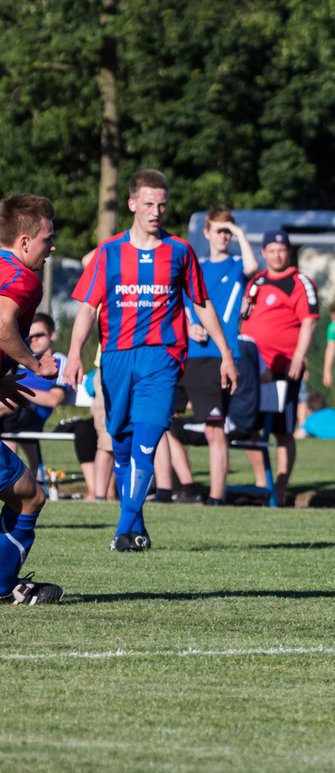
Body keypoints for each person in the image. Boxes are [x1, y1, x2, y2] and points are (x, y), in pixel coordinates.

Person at [65, 170, 239, 552]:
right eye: (148, 203)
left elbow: (202, 302)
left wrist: (226, 353)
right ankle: (136, 527)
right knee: (123, 443)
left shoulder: (179, 251)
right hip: (115, 358)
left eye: (161, 204)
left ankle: (123, 528)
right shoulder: (109, 252)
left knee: (148, 437)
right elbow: (88, 308)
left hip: (162, 358)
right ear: (132, 204)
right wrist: (75, 352)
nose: (155, 211)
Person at [172, 205, 259, 505]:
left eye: (228, 231)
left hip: (219, 355)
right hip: (189, 355)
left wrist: (238, 232)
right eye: (218, 230)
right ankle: (185, 486)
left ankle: (217, 497)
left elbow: (252, 266)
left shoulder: (236, 265)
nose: (223, 236)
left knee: (213, 427)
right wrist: (190, 325)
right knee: (162, 422)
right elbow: (183, 304)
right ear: (206, 232)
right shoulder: (196, 267)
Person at [0, 194, 63, 603]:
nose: (52, 247)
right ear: (24, 242)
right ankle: (3, 586)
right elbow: (3, 326)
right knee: (30, 495)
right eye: (47, 239)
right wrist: (35, 366)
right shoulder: (24, 278)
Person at [238, 229, 320, 506]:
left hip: (283, 367)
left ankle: (280, 487)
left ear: (289, 252)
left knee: (283, 428)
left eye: (282, 250)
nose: (277, 254)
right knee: (247, 424)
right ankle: (263, 483)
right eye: (271, 250)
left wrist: (299, 356)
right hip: (252, 369)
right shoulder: (256, 282)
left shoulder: (300, 282)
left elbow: (309, 321)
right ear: (263, 253)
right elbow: (243, 315)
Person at [0, 313, 71, 474]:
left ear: (52, 334)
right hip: (11, 414)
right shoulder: (22, 360)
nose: (33, 340)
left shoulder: (59, 361)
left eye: (39, 335)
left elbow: (54, 399)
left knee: (10, 404)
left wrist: (18, 391)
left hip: (32, 414)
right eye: (29, 337)